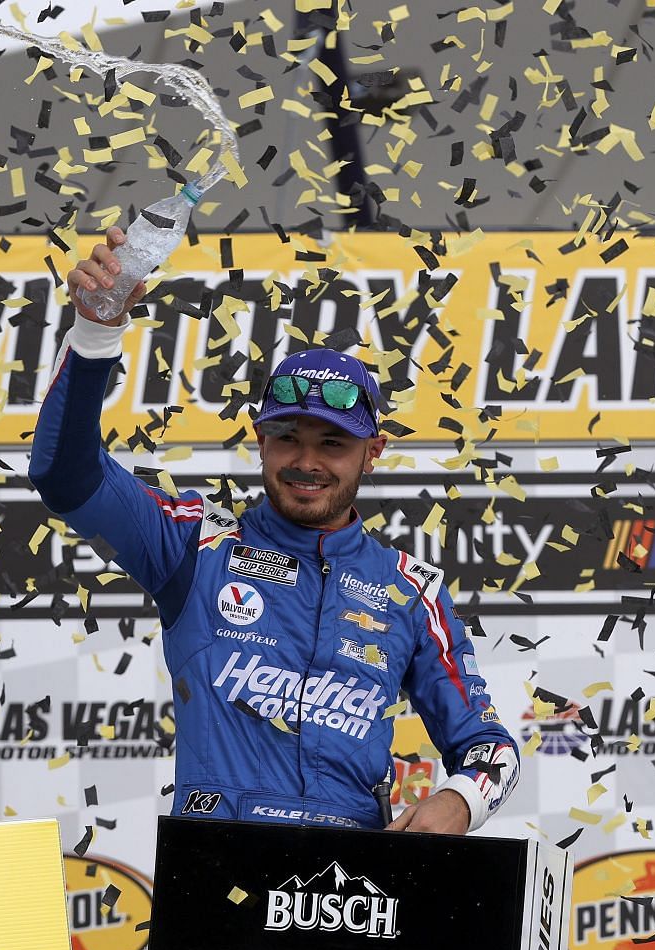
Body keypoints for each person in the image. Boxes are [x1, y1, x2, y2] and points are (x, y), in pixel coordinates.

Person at [29, 227, 520, 834]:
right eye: (287, 437)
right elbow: (64, 474)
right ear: (260, 441)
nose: (306, 462)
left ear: (373, 452)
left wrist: (459, 801)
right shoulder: (196, 543)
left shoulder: (410, 589)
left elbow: (489, 748)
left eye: (332, 444)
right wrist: (96, 333)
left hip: (352, 896)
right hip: (217, 876)